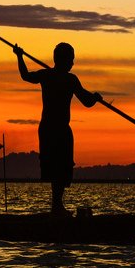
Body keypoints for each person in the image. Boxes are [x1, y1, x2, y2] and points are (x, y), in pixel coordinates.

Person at [14, 42, 102, 215]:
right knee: (56, 166)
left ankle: (57, 205)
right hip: (50, 129)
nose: (73, 63)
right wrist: (19, 56)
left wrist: (95, 98)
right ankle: (57, 206)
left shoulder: (65, 79)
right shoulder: (61, 78)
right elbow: (26, 76)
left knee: (63, 166)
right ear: (62, 59)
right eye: (71, 59)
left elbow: (86, 100)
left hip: (60, 129)